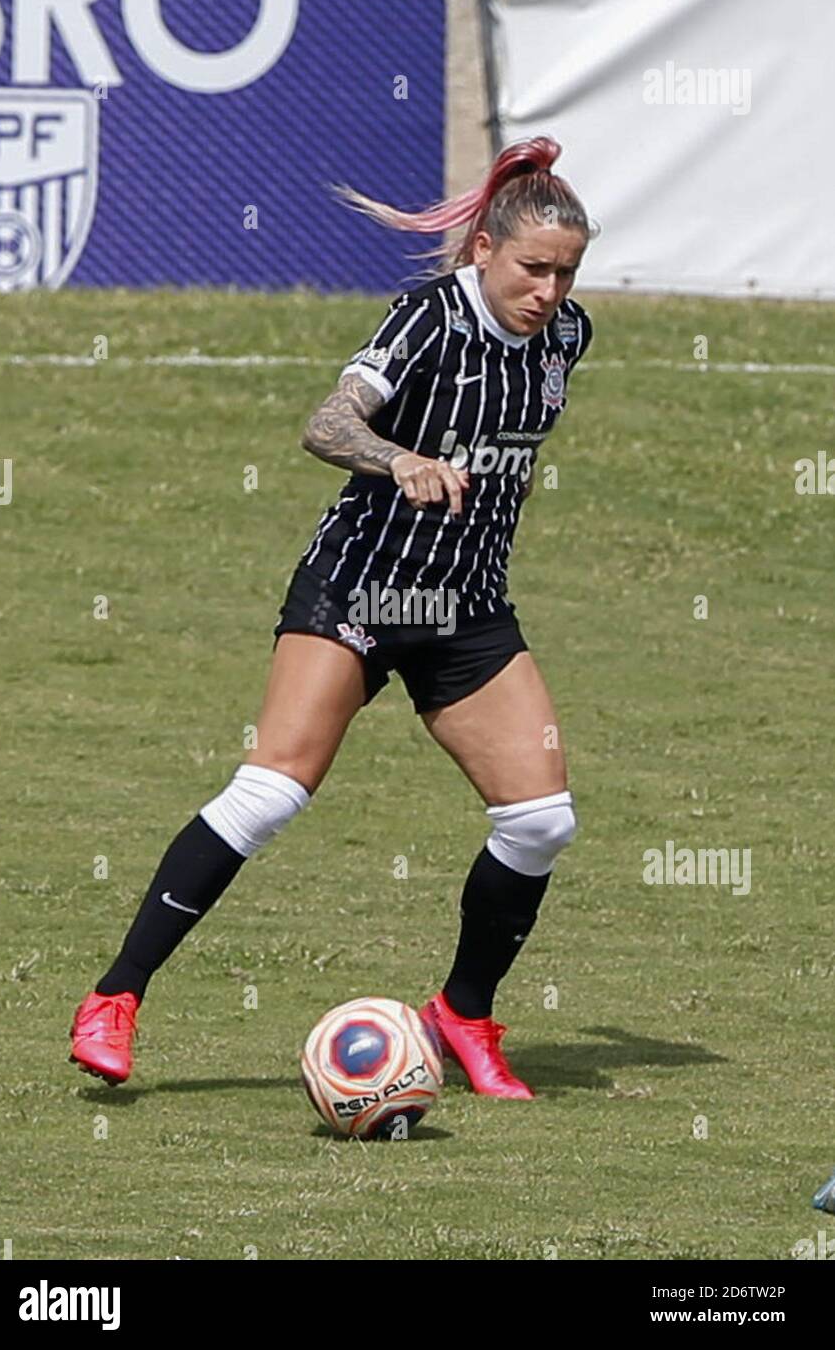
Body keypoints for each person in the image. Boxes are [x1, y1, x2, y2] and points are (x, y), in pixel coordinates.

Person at [69, 134, 595, 1100]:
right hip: (357, 589)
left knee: (541, 821)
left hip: (466, 606)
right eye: (533, 269)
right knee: (270, 794)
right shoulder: (428, 320)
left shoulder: (567, 337)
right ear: (483, 248)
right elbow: (328, 420)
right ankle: (116, 998)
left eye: (566, 272)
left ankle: (462, 1014)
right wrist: (398, 460)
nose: (549, 293)